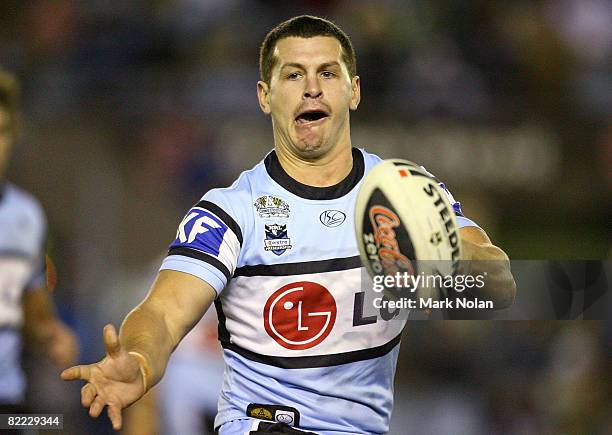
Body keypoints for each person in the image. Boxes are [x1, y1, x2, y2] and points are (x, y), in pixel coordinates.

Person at [61, 16, 516, 434]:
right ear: (265, 95)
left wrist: (439, 255)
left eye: (328, 73)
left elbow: (496, 284)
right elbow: (162, 311)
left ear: (353, 91)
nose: (312, 88)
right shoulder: (231, 212)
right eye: (293, 75)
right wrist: (141, 358)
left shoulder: (406, 193)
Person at [0, 68, 79, 413]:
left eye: (1, 131)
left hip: (7, 398)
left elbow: (30, 309)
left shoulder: (27, 215)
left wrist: (51, 334)